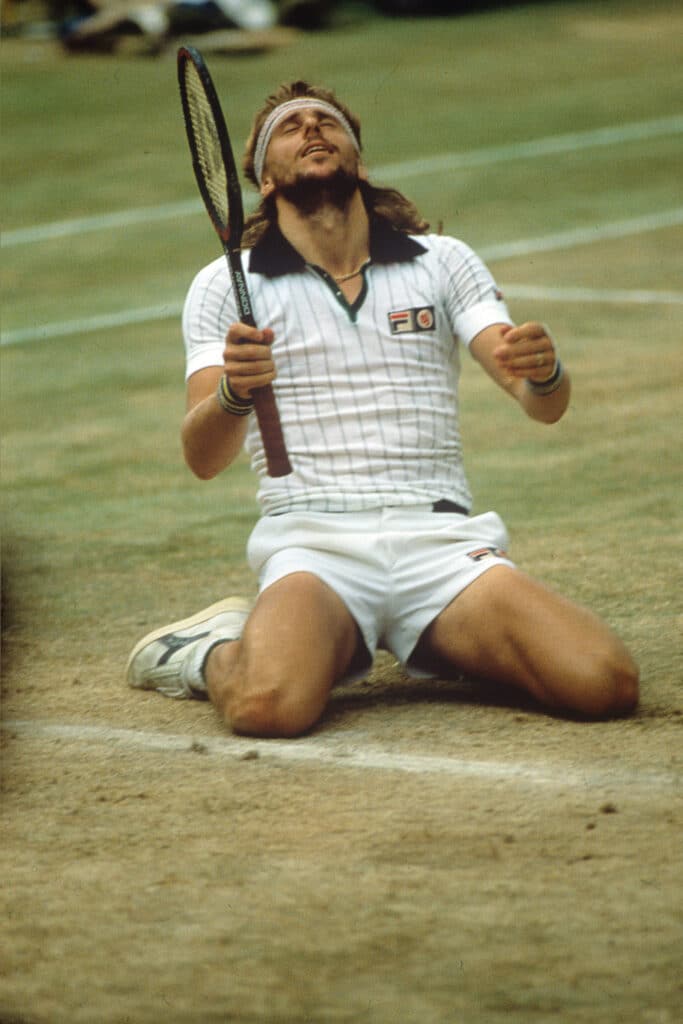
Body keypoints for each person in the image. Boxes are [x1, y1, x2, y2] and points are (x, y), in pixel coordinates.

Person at [126, 81, 639, 737]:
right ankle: (206, 652)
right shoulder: (224, 285)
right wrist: (231, 394)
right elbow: (203, 457)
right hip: (313, 546)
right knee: (267, 706)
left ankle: (440, 639)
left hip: (443, 545)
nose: (312, 130)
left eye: (327, 123)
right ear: (261, 179)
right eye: (292, 127)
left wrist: (544, 372)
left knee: (604, 683)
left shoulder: (443, 262)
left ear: (358, 163)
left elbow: (540, 404)